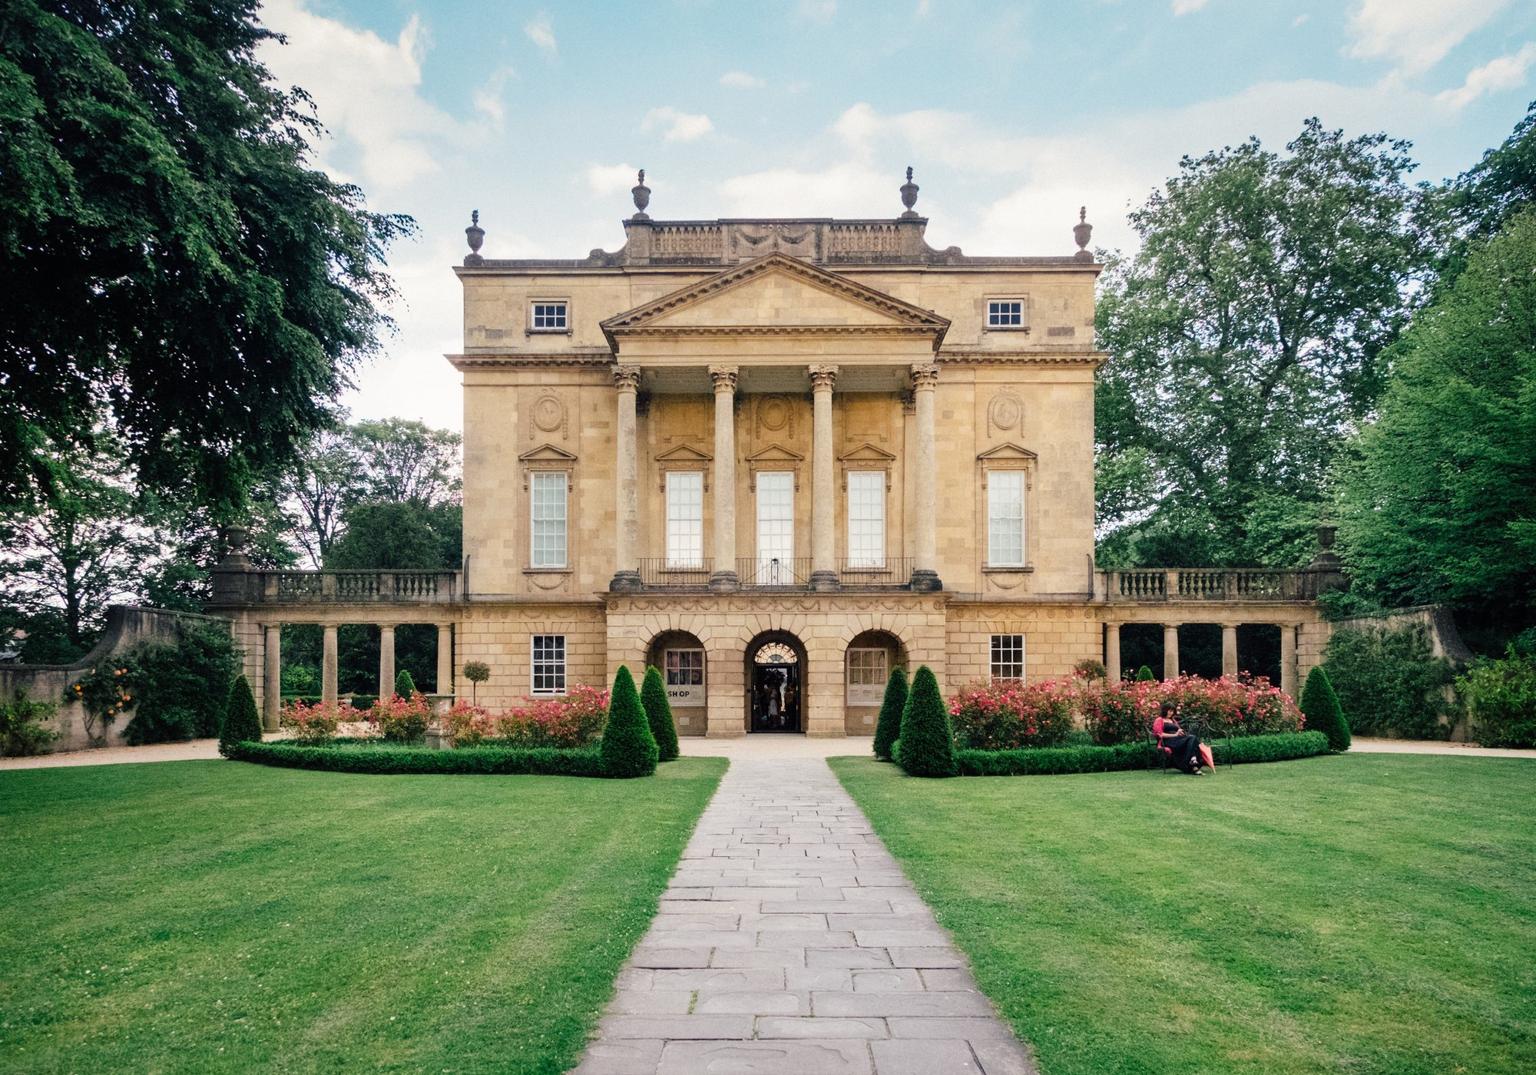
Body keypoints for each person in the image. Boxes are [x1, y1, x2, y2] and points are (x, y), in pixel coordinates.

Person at [1153, 701, 1205, 775]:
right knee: (1193, 739)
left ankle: (1193, 764)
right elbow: (1159, 734)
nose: (1171, 713)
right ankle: (1191, 763)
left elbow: (1178, 730)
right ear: (1165, 710)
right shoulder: (1159, 720)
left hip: (1177, 740)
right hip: (1168, 742)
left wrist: (1180, 732)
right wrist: (1175, 735)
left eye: (1172, 711)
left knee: (1192, 739)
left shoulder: (1173, 720)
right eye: (1169, 711)